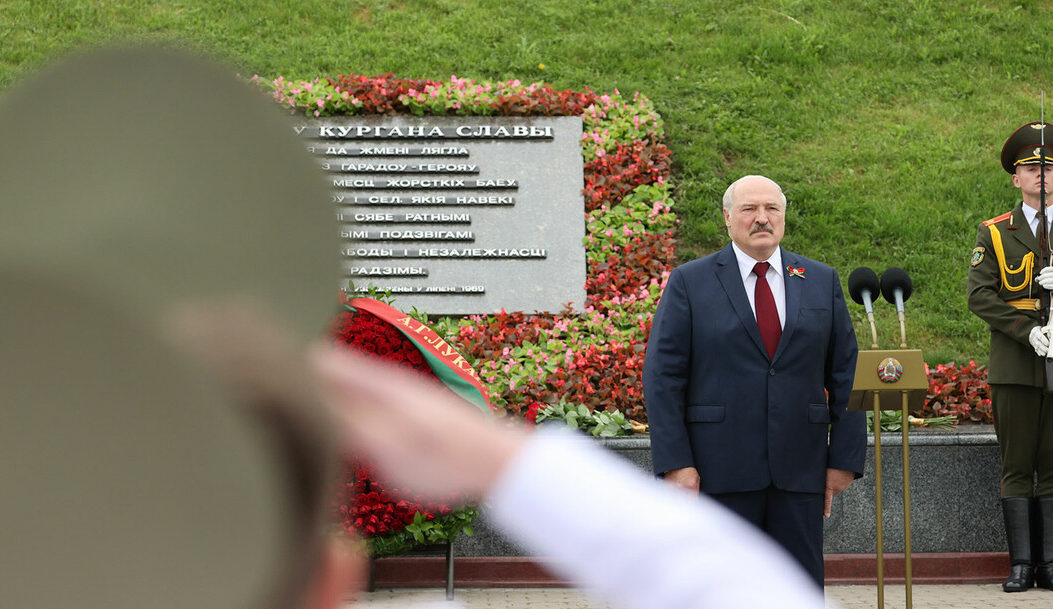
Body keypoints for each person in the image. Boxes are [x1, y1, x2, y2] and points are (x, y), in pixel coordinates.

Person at [643, 174, 866, 586]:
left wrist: (844, 460)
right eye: (749, 209)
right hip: (717, 471)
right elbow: (663, 377)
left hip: (800, 470)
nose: (761, 218)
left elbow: (846, 374)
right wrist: (677, 464)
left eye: (771, 209)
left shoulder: (819, 279)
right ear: (728, 218)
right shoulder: (691, 282)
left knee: (796, 587)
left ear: (783, 217)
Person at [967, 120, 1053, 592]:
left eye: (1049, 167)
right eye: (1030, 167)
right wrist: (1027, 332)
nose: (1041, 174)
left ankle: (1052, 562)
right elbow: (980, 295)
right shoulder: (995, 232)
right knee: (1017, 464)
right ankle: (1022, 564)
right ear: (1015, 177)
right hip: (1018, 363)